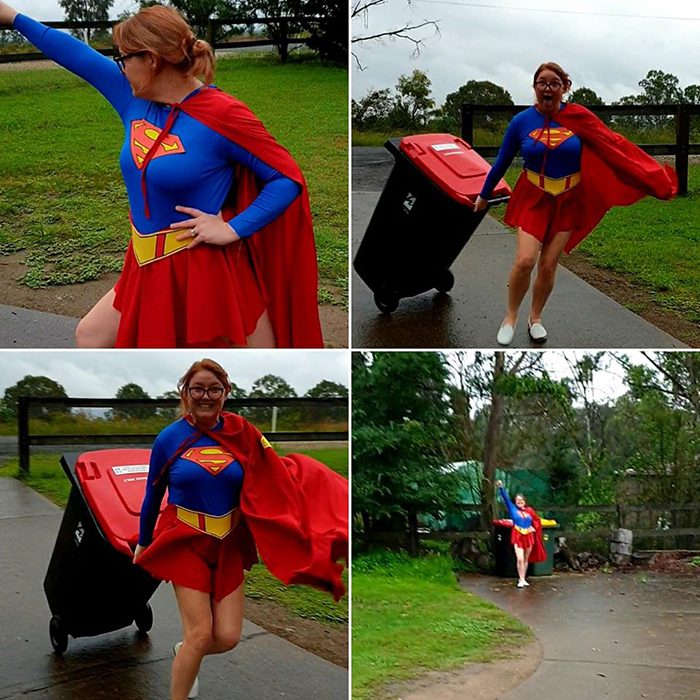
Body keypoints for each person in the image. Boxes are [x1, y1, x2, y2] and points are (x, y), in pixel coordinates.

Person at [1, 2, 323, 349]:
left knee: (254, 351)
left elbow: (286, 178)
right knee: (91, 336)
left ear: (151, 60)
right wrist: (12, 16)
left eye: (124, 58)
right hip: (143, 262)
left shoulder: (224, 114)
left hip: (202, 267)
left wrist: (231, 228)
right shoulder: (132, 97)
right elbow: (74, 54)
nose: (120, 67)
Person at [133, 358, 348, 700]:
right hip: (186, 540)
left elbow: (273, 475)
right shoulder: (169, 438)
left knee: (228, 637)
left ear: (226, 392)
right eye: (198, 388)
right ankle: (184, 674)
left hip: (228, 542)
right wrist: (144, 542)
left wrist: (319, 494)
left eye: (214, 389)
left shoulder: (243, 432)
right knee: (202, 633)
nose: (206, 396)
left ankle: (185, 651)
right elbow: (152, 494)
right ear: (185, 392)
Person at [474, 62, 677, 346]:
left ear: (564, 88)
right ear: (534, 87)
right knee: (525, 261)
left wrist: (649, 178)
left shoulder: (580, 118)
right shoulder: (521, 121)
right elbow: (502, 161)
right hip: (533, 196)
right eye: (542, 83)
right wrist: (484, 195)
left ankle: (536, 318)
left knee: (547, 265)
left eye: (554, 83)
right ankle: (510, 316)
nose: (548, 88)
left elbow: (614, 147)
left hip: (569, 198)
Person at [495, 480, 545, 588]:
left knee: (526, 558)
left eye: (521, 500)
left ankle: (523, 578)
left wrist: (534, 528)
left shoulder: (529, 510)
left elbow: (536, 520)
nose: (520, 501)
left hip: (528, 536)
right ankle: (520, 579)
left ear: (524, 501)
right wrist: (501, 488)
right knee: (520, 558)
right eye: (518, 500)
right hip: (517, 535)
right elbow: (505, 499)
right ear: (515, 502)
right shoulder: (512, 508)